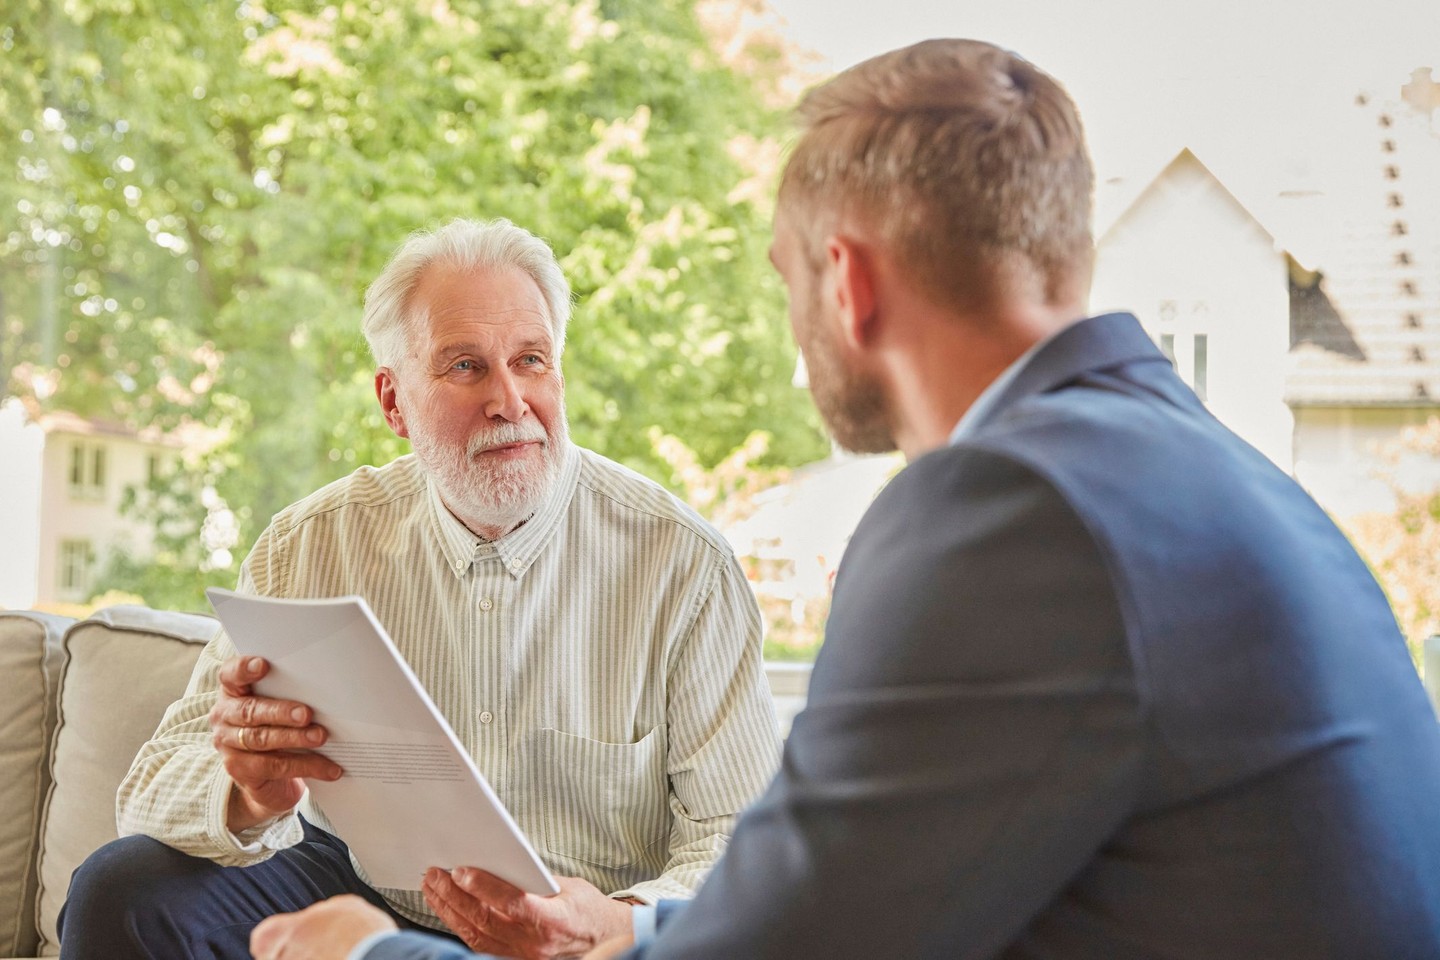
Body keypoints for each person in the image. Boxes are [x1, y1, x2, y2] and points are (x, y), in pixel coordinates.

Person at [247, 37, 1440, 960]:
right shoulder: (1204, 475)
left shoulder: (1009, 511)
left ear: (848, 282)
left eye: (784, 279)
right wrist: (630, 934)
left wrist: (377, 952)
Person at [58, 218, 781, 960]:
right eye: (465, 367)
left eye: (531, 360)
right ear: (393, 403)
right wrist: (250, 794)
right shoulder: (309, 545)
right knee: (126, 888)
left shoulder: (685, 566)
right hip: (358, 889)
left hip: (583, 924)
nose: (509, 400)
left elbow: (745, 844)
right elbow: (149, 789)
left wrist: (615, 921)